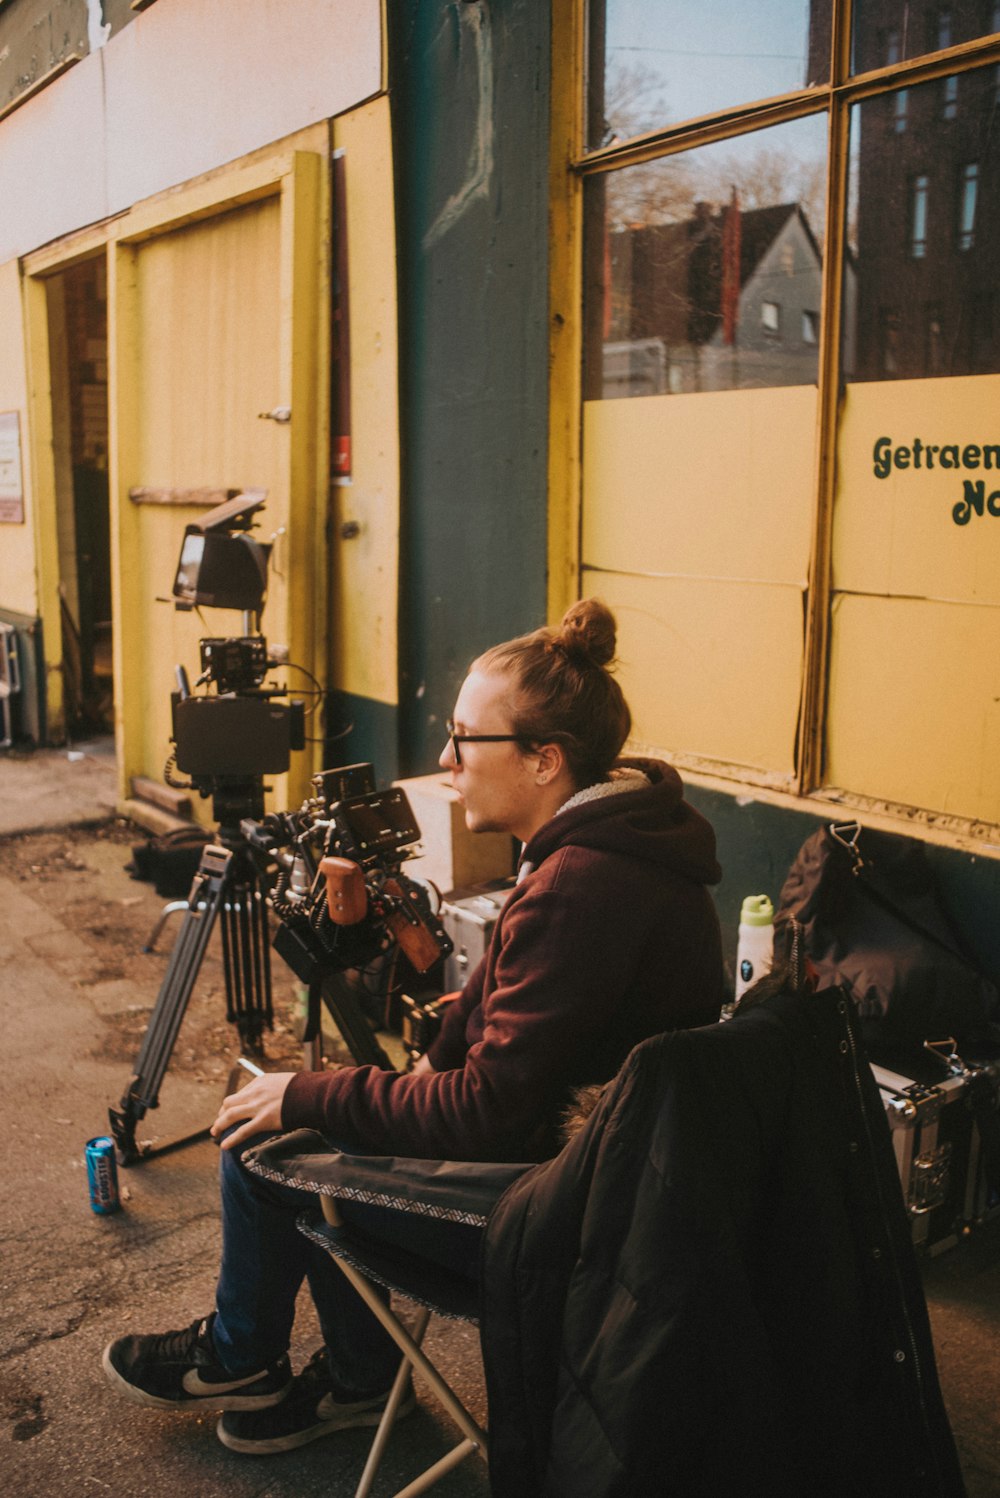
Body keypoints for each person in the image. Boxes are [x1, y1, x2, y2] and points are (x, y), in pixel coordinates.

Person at [102, 598, 724, 1455]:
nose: (445, 758)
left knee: (270, 1146)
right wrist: (408, 1055)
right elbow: (500, 1007)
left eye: (466, 738)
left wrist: (315, 1094)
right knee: (327, 1118)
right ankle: (350, 1377)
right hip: (602, 1178)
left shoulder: (583, 884)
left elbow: (488, 1113)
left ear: (544, 759)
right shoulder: (606, 849)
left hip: (563, 1218)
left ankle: (250, 1355)